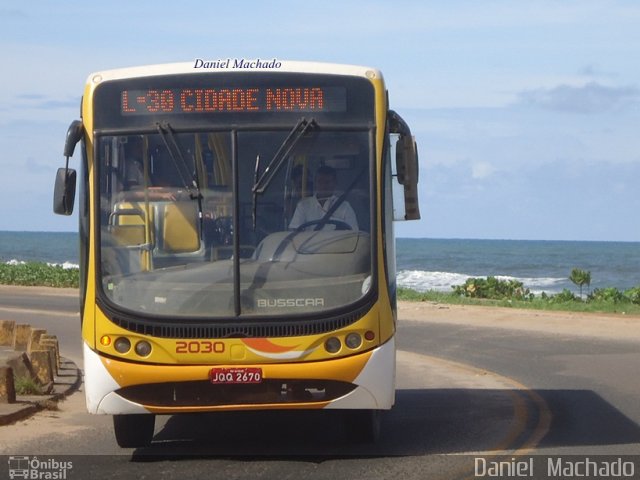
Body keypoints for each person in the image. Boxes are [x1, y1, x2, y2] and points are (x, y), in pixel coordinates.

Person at [288, 165, 358, 230]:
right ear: (315, 183)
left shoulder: (345, 207)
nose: (323, 186)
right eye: (320, 182)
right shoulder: (303, 206)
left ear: (335, 183)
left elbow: (354, 235)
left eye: (327, 182)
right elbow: (294, 232)